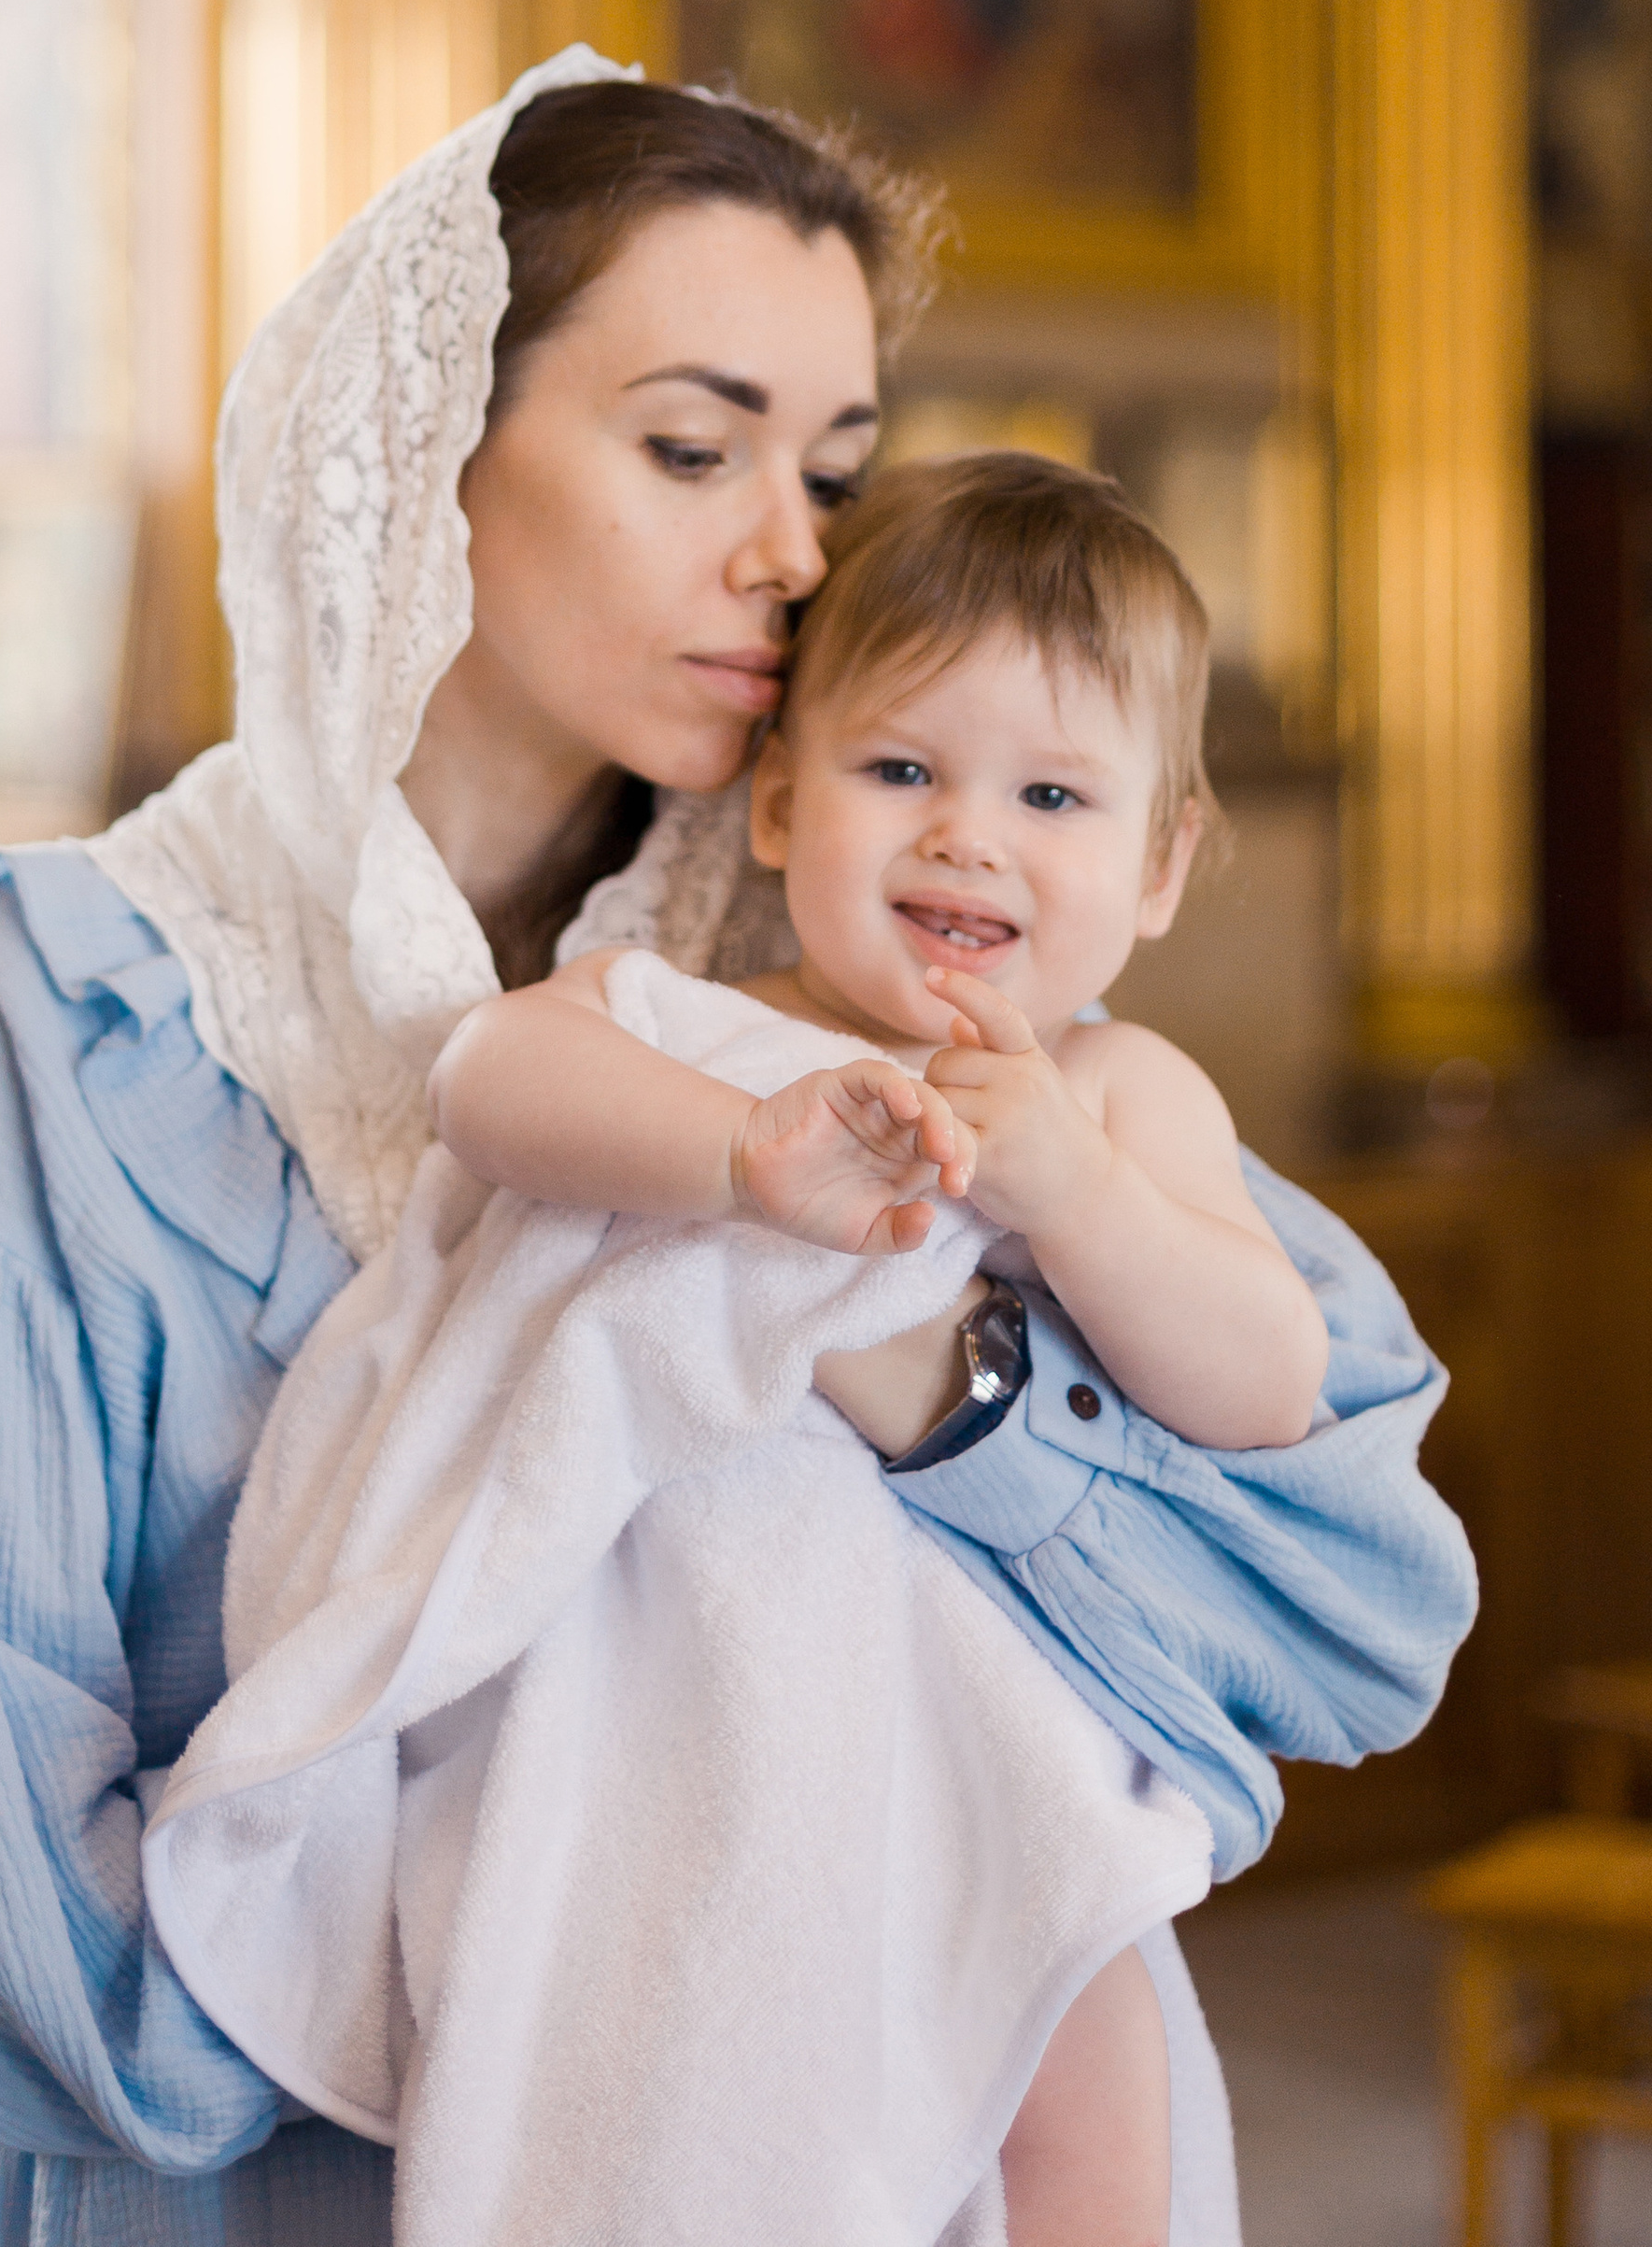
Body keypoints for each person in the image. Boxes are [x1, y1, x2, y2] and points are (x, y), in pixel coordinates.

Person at [0, 52, 1476, 2247]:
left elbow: (1342, 1608)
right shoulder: (74, 1004)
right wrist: (470, 2022)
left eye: (830, 469)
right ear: (417, 457)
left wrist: (934, 1391)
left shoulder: (886, 960)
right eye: (690, 446)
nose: (787, 551)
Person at [360, 453, 1333, 2243]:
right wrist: (735, 1150)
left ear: (1161, 861)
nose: (969, 834)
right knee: (673, 2084)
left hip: (1003, 1758)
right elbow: (484, 1080)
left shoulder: (1120, 1090)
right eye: (903, 771)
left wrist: (1077, 1193)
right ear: (786, 807)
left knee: (1081, 2045)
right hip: (708, 1723)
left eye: (1052, 792)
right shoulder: (701, 1024)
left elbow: (1271, 1380)